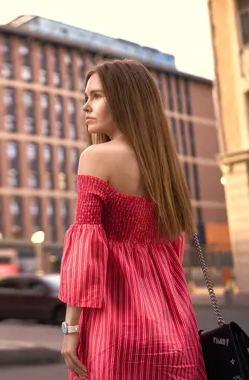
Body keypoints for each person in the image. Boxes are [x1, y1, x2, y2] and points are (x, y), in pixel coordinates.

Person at [58, 59, 206, 380]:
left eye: (96, 96)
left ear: (126, 98)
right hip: (175, 325)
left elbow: (86, 251)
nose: (86, 106)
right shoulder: (165, 167)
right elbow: (172, 252)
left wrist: (70, 329)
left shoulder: (96, 157)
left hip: (115, 328)